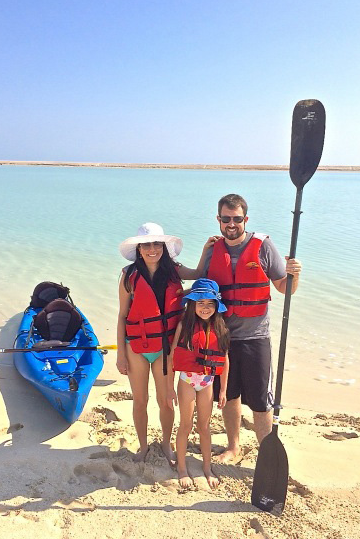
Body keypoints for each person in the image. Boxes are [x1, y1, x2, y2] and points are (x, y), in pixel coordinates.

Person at [204, 194, 302, 463]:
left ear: (245, 219)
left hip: (255, 336)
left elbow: (285, 288)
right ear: (219, 220)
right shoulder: (213, 249)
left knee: (261, 401)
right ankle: (233, 446)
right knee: (229, 395)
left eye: (237, 219)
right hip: (221, 338)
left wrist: (296, 273)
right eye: (226, 219)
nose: (231, 224)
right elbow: (202, 288)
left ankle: (266, 453)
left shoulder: (263, 246)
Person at [117, 223, 213, 464]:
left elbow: (200, 273)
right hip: (136, 346)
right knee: (140, 400)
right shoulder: (128, 276)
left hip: (165, 348)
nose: (152, 249)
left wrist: (207, 249)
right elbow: (122, 315)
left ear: (163, 247)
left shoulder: (174, 271)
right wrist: (120, 354)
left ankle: (167, 444)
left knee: (166, 400)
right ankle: (142, 446)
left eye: (157, 244)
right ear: (139, 249)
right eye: (146, 245)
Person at [166, 279, 230, 489]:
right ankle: (182, 468)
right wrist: (169, 388)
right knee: (186, 425)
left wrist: (223, 390)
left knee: (204, 426)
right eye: (200, 302)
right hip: (186, 381)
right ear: (192, 304)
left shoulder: (220, 327)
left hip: (208, 383)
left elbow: (225, 360)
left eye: (210, 303)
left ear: (216, 306)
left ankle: (206, 468)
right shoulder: (184, 325)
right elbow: (171, 356)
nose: (205, 307)